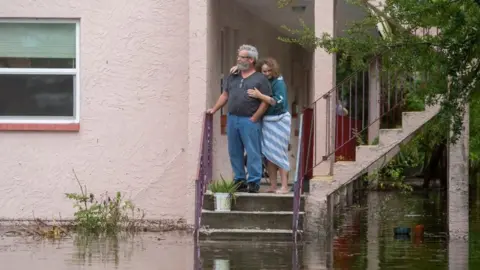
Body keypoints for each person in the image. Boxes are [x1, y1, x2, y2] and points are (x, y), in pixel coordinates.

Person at [207, 45, 272, 193]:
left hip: (249, 120)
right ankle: (239, 179)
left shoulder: (260, 79)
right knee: (234, 150)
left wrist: (255, 117)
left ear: (251, 60)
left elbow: (266, 101)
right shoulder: (233, 76)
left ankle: (254, 180)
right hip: (232, 118)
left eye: (242, 57)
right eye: (238, 56)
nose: (238, 59)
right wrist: (214, 109)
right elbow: (225, 95)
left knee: (252, 150)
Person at [230, 57, 291, 193]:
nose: (267, 73)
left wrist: (259, 95)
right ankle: (273, 186)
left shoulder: (278, 82)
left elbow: (277, 102)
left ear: (274, 70)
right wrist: (238, 67)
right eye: (264, 71)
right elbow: (248, 65)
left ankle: (285, 186)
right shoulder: (263, 80)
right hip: (267, 120)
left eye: (269, 71)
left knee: (280, 152)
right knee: (269, 154)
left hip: (279, 120)